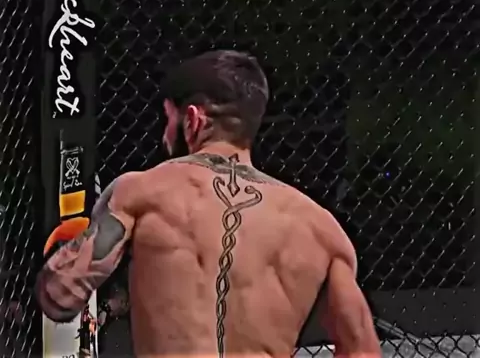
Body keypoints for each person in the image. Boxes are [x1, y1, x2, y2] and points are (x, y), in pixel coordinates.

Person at [35, 50, 381, 358]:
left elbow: (60, 295)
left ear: (193, 119)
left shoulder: (139, 192)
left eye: (169, 120)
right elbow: (361, 350)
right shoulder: (321, 229)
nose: (165, 135)